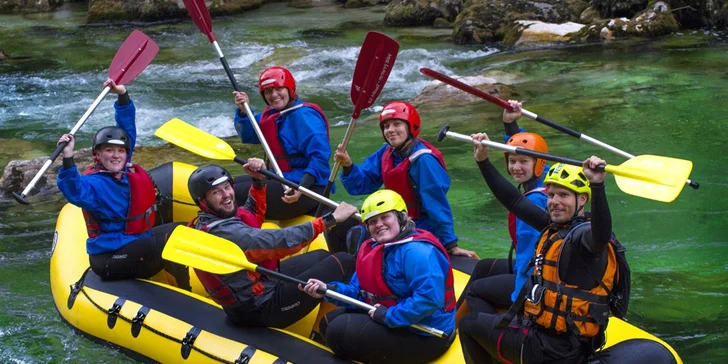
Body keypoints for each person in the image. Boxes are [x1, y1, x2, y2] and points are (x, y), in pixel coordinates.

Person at [459, 132, 624, 363]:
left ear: (582, 200)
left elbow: (601, 234)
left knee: (468, 325)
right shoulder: (556, 227)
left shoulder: (586, 240)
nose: (555, 202)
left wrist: (597, 185)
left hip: (550, 350)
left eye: (564, 195)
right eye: (552, 195)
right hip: (557, 341)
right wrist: (483, 161)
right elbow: (514, 201)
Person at [187, 162, 357, 328]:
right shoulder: (223, 233)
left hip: (264, 284)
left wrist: (258, 182)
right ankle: (332, 327)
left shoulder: (210, 220)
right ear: (202, 201)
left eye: (227, 187)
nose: (226, 195)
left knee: (322, 256)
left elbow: (250, 217)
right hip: (262, 307)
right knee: (344, 261)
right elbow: (282, 241)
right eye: (216, 192)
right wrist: (330, 220)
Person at [56, 79, 190, 290]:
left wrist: (122, 95)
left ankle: (184, 288)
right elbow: (73, 190)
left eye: (120, 151)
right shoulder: (93, 184)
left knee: (182, 229)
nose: (116, 155)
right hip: (110, 257)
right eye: (109, 150)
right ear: (97, 155)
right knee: (169, 239)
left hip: (134, 243)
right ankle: (183, 293)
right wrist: (68, 157)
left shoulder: (127, 171)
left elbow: (128, 128)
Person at [300, 190, 456, 363]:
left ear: (402, 217)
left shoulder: (418, 252)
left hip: (425, 332)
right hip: (395, 319)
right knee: (328, 322)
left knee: (339, 331)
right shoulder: (373, 249)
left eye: (385, 217)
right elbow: (358, 292)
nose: (379, 224)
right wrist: (328, 290)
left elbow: (429, 300)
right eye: (372, 222)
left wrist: (389, 315)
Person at [331, 100, 477, 258]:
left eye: (397, 124)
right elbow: (362, 184)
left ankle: (359, 272)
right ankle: (343, 270)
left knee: (358, 235)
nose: (390, 130)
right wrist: (348, 165)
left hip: (419, 225)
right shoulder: (388, 152)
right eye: (386, 126)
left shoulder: (423, 160)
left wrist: (450, 244)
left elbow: (437, 204)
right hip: (391, 218)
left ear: (411, 126)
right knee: (340, 226)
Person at [459, 100, 549, 315]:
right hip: (535, 268)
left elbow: (527, 254)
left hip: (533, 280)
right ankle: (453, 321)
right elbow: (525, 145)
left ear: (537, 163)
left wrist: (518, 297)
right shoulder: (546, 177)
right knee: (483, 267)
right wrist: (510, 125)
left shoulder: (535, 201)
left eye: (523, 162)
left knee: (477, 291)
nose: (516, 168)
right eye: (512, 161)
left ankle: (473, 331)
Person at [232, 66, 332, 220]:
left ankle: (240, 230)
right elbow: (249, 136)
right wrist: (244, 111)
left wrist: (302, 188)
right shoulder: (272, 115)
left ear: (290, 89)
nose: (274, 95)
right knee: (229, 184)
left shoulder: (305, 116)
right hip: (281, 177)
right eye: (268, 91)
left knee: (234, 193)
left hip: (309, 189)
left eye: (279, 89)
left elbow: (319, 158)